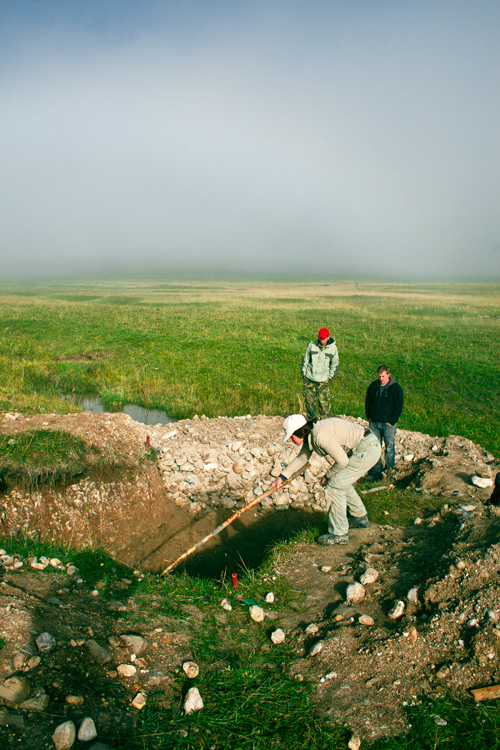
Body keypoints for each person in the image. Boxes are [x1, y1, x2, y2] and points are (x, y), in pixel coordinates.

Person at [273, 414, 381, 545]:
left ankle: (339, 534)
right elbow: (302, 457)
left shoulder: (320, 436)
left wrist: (327, 476)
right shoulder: (310, 434)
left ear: (300, 431)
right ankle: (359, 518)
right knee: (341, 481)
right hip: (365, 447)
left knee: (334, 485)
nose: (290, 440)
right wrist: (282, 476)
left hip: (368, 449)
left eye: (291, 436)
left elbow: (342, 461)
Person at [364, 365, 404, 480]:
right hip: (374, 423)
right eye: (379, 376)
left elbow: (398, 406)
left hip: (388, 424)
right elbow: (368, 402)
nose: (381, 379)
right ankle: (374, 472)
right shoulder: (373, 386)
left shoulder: (396, 388)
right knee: (374, 447)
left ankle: (388, 471)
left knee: (389, 447)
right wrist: (369, 416)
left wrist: (392, 421)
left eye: (383, 376)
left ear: (388, 375)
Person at [301, 328, 339, 421]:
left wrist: (329, 377)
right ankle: (312, 421)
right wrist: (304, 374)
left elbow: (335, 364)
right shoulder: (312, 345)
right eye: (320, 338)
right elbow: (305, 360)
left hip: (323, 380)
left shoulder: (333, 348)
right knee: (310, 402)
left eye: (324, 338)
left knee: (323, 403)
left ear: (328, 337)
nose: (322, 340)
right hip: (310, 379)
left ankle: (323, 422)